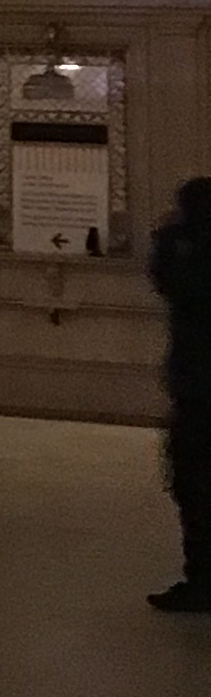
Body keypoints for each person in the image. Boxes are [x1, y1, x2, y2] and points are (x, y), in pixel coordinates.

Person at [145, 175, 211, 612]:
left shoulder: (187, 250)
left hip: (198, 392)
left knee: (196, 488)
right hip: (195, 387)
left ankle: (201, 580)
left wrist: (167, 238)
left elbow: (169, 281)